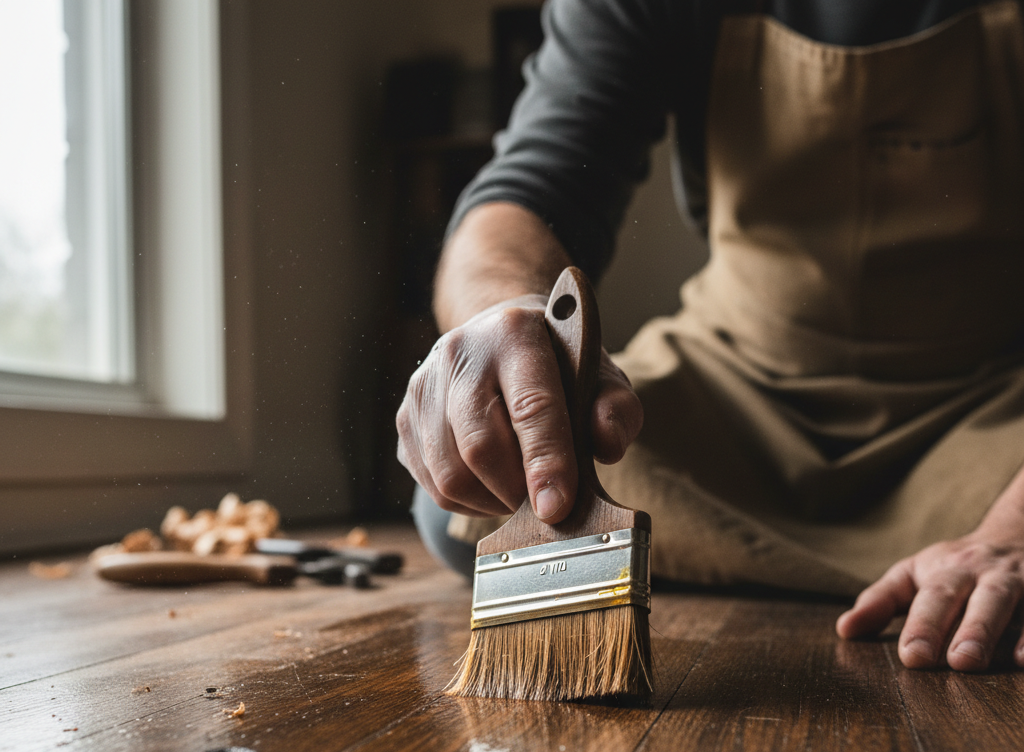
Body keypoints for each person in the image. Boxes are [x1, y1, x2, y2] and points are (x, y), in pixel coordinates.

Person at [397, 0, 1024, 672]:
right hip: (738, 384)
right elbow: (527, 188)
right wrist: (505, 319)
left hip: (989, 406)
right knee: (481, 488)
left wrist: (1010, 532)